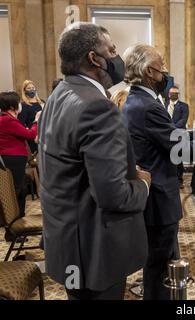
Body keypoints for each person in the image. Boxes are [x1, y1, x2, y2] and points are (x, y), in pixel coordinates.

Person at [38, 22, 151, 300]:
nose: (117, 57)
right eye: (112, 50)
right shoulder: (97, 106)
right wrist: (143, 184)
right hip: (94, 249)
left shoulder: (59, 94)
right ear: (93, 58)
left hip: (68, 241)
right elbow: (113, 196)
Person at [122, 44, 195, 299]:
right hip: (159, 198)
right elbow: (180, 149)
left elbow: (170, 136)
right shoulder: (148, 106)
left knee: (164, 264)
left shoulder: (138, 100)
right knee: (160, 269)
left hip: (155, 196)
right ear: (150, 71)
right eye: (162, 67)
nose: (166, 72)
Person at [0, 91, 39, 241]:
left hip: (14, 159)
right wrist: (36, 121)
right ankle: (14, 230)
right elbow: (29, 135)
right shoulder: (7, 120)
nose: (20, 105)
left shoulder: (8, 119)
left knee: (20, 191)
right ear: (12, 105)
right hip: (12, 159)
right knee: (17, 192)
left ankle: (17, 228)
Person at [165, 85, 189, 186]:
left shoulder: (184, 106)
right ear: (168, 94)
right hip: (165, 135)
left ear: (178, 95)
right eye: (171, 93)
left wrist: (170, 128)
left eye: (175, 93)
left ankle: (179, 180)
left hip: (178, 134)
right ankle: (168, 178)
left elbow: (183, 121)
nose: (173, 95)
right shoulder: (163, 105)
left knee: (178, 157)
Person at [18, 80, 43, 153]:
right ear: (24, 90)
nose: (32, 90)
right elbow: (22, 123)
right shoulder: (23, 105)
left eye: (33, 87)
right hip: (32, 135)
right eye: (29, 88)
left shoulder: (41, 102)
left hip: (43, 133)